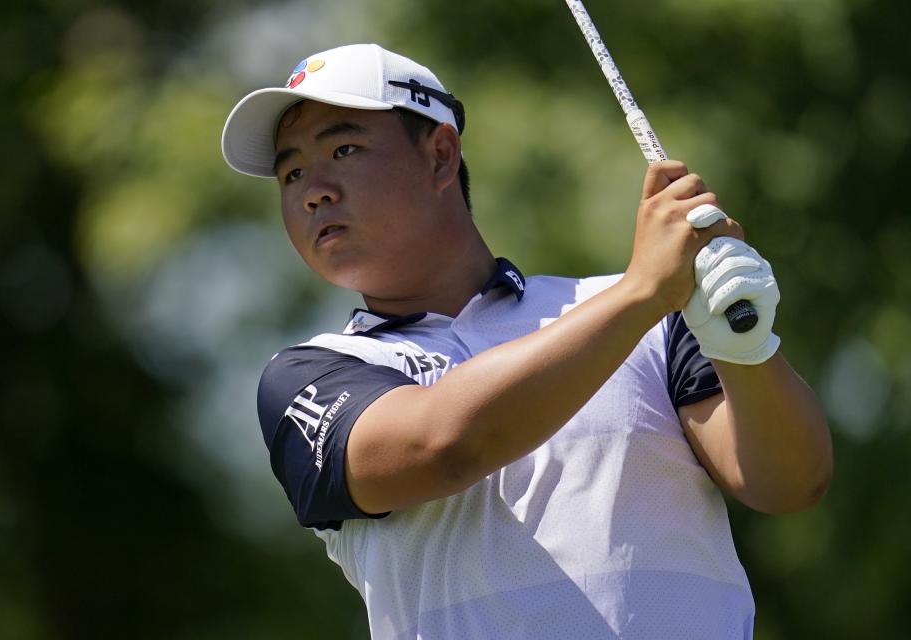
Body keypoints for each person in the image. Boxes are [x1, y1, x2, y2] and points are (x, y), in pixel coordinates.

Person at [221, 43, 832, 639]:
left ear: (439, 155)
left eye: (344, 149)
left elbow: (790, 483)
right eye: (292, 171)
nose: (312, 189)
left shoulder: (644, 313)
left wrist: (744, 349)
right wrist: (643, 292)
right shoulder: (309, 376)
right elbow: (445, 446)